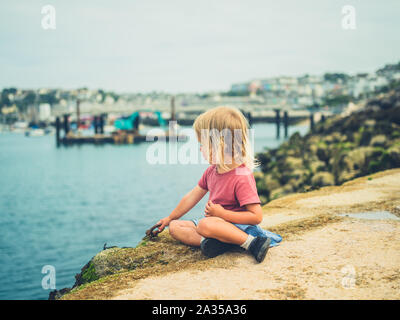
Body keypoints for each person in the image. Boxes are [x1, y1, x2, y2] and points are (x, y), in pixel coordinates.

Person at [157, 106, 282, 263]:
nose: (200, 149)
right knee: (175, 227)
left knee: (204, 225)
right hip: (216, 223)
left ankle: (252, 244)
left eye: (202, 145)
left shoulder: (241, 176)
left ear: (220, 144)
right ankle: (217, 243)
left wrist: (222, 214)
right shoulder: (211, 172)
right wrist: (169, 218)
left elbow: (256, 217)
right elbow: (191, 196)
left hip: (239, 227)